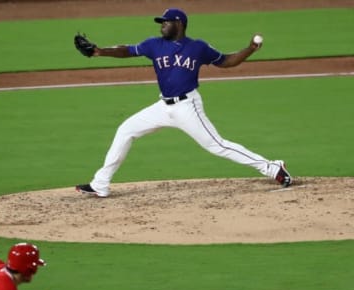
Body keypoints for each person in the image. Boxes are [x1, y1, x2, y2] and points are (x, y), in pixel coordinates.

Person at [75, 8, 292, 198]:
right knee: (125, 130)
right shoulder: (153, 45)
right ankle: (100, 184)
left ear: (179, 24)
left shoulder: (198, 47)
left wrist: (249, 49)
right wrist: (98, 51)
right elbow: (127, 50)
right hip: (162, 107)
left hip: (188, 107)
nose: (162, 26)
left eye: (166, 22)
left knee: (217, 145)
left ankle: (272, 168)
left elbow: (226, 61)